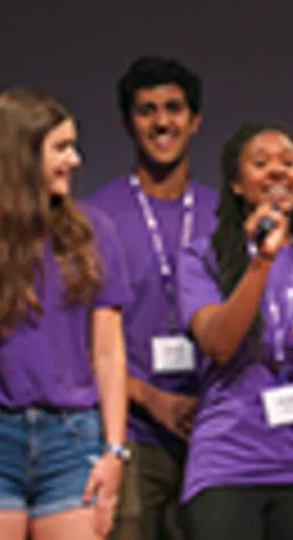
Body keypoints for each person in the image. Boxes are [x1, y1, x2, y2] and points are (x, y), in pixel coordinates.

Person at [0, 88, 132, 540]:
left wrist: (115, 450)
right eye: (61, 148)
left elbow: (108, 352)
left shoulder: (92, 233)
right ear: (21, 155)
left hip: (72, 436)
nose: (76, 159)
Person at [177, 123, 293, 540]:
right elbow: (218, 345)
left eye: (288, 163)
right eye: (261, 163)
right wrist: (261, 261)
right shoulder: (202, 257)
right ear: (236, 184)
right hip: (228, 462)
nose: (277, 171)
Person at [83, 56, 218, 540]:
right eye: (147, 111)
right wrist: (148, 397)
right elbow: (82, 338)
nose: (162, 122)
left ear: (195, 119)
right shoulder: (94, 216)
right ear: (127, 124)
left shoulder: (222, 215)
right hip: (128, 436)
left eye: (174, 108)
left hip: (208, 435)